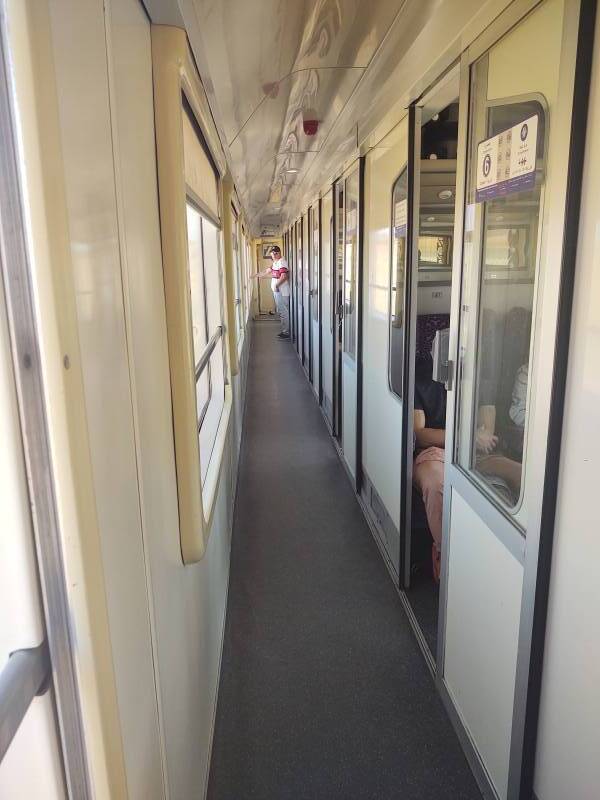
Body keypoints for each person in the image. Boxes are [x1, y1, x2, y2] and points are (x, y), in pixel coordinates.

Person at [251, 245, 290, 339]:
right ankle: (285, 330)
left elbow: (284, 276)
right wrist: (256, 275)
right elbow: (267, 271)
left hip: (282, 291)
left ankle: (286, 332)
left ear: (278, 253)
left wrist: (276, 286)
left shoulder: (282, 263)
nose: (273, 256)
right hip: (277, 291)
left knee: (283, 311)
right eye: (272, 254)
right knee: (281, 311)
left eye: (274, 254)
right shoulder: (276, 263)